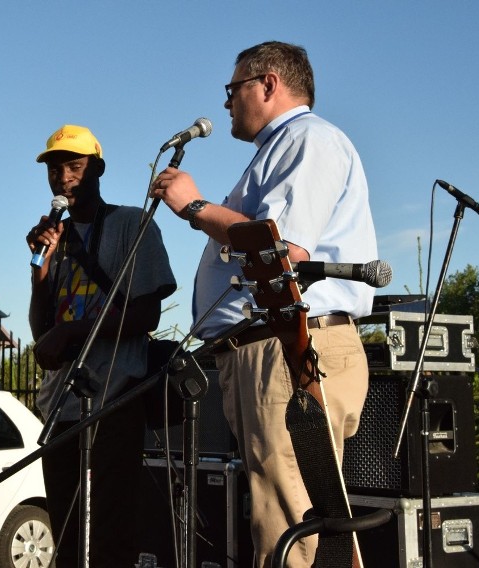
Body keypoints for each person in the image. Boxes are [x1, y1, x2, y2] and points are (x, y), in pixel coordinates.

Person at [151, 41, 377, 567]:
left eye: (233, 90)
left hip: (287, 346)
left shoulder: (306, 138)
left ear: (269, 84)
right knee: (316, 527)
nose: (228, 103)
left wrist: (195, 205)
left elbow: (284, 248)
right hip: (275, 348)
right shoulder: (284, 148)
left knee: (287, 525)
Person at [27, 124, 176, 567]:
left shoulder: (131, 223)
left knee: (112, 531)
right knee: (67, 535)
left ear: (98, 170)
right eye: (55, 170)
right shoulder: (56, 238)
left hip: (115, 397)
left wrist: (74, 332)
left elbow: (147, 314)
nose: (63, 178)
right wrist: (39, 269)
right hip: (61, 405)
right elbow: (41, 332)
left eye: (74, 166)